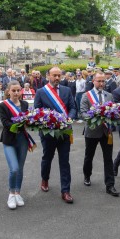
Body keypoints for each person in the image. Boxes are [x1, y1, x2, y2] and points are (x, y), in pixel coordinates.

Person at [34, 67, 77, 203]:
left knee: (65, 161)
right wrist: (47, 121)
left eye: (59, 75)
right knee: (47, 158)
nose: (57, 78)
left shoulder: (66, 90)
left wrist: (69, 118)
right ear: (48, 76)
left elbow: (73, 108)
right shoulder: (41, 92)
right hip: (48, 133)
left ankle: (66, 191)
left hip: (64, 132)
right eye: (54, 75)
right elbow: (37, 111)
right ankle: (45, 179)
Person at [80, 71, 120, 196]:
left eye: (103, 81)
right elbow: (83, 113)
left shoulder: (109, 95)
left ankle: (110, 185)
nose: (102, 83)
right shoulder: (86, 96)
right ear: (93, 81)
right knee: (89, 156)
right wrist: (96, 117)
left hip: (106, 132)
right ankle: (87, 175)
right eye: (99, 81)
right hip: (92, 131)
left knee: (108, 159)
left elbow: (113, 111)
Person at [0, 81, 31, 209]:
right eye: (14, 90)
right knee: (14, 168)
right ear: (8, 91)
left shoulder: (25, 104)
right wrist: (18, 123)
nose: (16, 93)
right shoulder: (3, 105)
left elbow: (28, 119)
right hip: (9, 140)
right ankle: (11, 194)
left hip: (22, 140)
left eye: (18, 90)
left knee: (21, 168)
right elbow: (5, 122)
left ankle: (18, 192)